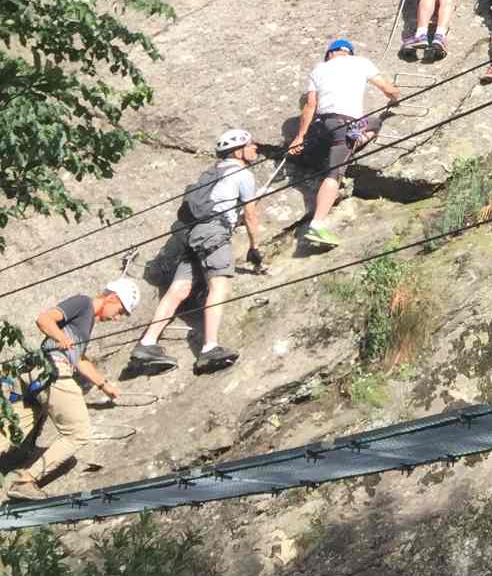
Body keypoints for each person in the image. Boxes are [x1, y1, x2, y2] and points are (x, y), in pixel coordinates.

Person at [128, 130, 263, 374]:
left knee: (179, 289)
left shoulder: (212, 174)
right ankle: (209, 348)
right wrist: (255, 247)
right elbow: (251, 215)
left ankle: (147, 343)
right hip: (214, 234)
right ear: (238, 151)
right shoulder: (243, 174)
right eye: (250, 144)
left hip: (191, 236)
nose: (256, 148)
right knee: (218, 287)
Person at [1, 279, 138, 502]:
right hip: (54, 369)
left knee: (10, 432)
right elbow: (44, 319)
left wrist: (104, 385)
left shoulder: (86, 323)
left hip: (36, 373)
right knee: (78, 433)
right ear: (112, 298)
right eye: (119, 311)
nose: (116, 317)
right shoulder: (83, 303)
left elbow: (79, 359)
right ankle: (25, 482)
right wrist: (61, 338)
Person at [288, 38, 401, 250]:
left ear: (330, 53)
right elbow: (387, 88)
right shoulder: (361, 62)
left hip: (321, 127)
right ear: (347, 52)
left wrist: (300, 137)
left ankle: (336, 148)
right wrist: (395, 96)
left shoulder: (319, 69)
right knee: (335, 173)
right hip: (346, 125)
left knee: (372, 122)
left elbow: (311, 104)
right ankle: (317, 225)